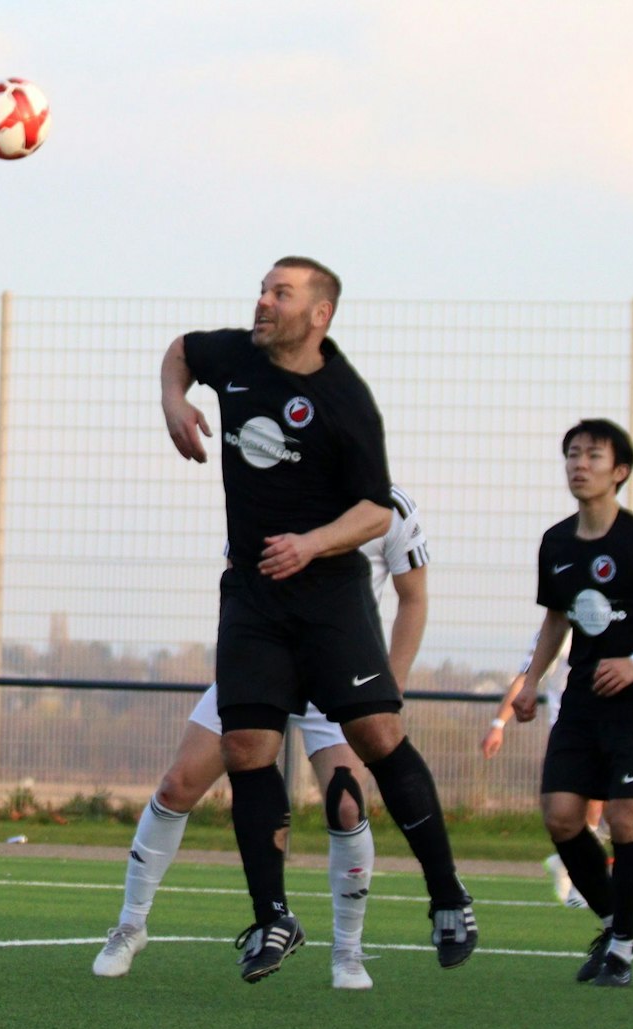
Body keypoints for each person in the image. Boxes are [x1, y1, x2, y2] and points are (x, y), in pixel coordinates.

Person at [159, 256, 474, 982]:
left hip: (329, 594)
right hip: (252, 592)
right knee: (245, 744)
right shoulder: (235, 353)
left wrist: (311, 542)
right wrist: (173, 401)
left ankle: (449, 895)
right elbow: (180, 351)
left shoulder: (344, 398)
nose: (263, 302)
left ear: (320, 314)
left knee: (378, 733)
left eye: (281, 293)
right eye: (263, 288)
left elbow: (375, 509)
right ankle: (273, 918)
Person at [95, 487, 429, 991]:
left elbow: (414, 596)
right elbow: (235, 577)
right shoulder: (269, 488)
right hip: (261, 668)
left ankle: (348, 952)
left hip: (336, 670)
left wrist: (391, 684)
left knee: (346, 803)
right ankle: (129, 926)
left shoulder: (387, 504)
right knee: (177, 785)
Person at [513, 419, 633, 988]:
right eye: (572, 454)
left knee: (624, 819)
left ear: (619, 471)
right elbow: (556, 618)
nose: (579, 464)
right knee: (560, 815)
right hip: (581, 702)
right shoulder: (556, 543)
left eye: (593, 456)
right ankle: (613, 920)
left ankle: (621, 948)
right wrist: (531, 681)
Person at [482, 629, 598, 907]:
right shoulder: (561, 626)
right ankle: (581, 878)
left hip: (610, 721)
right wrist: (499, 724)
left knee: (598, 805)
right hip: (570, 726)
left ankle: (570, 866)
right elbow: (526, 674)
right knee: (576, 806)